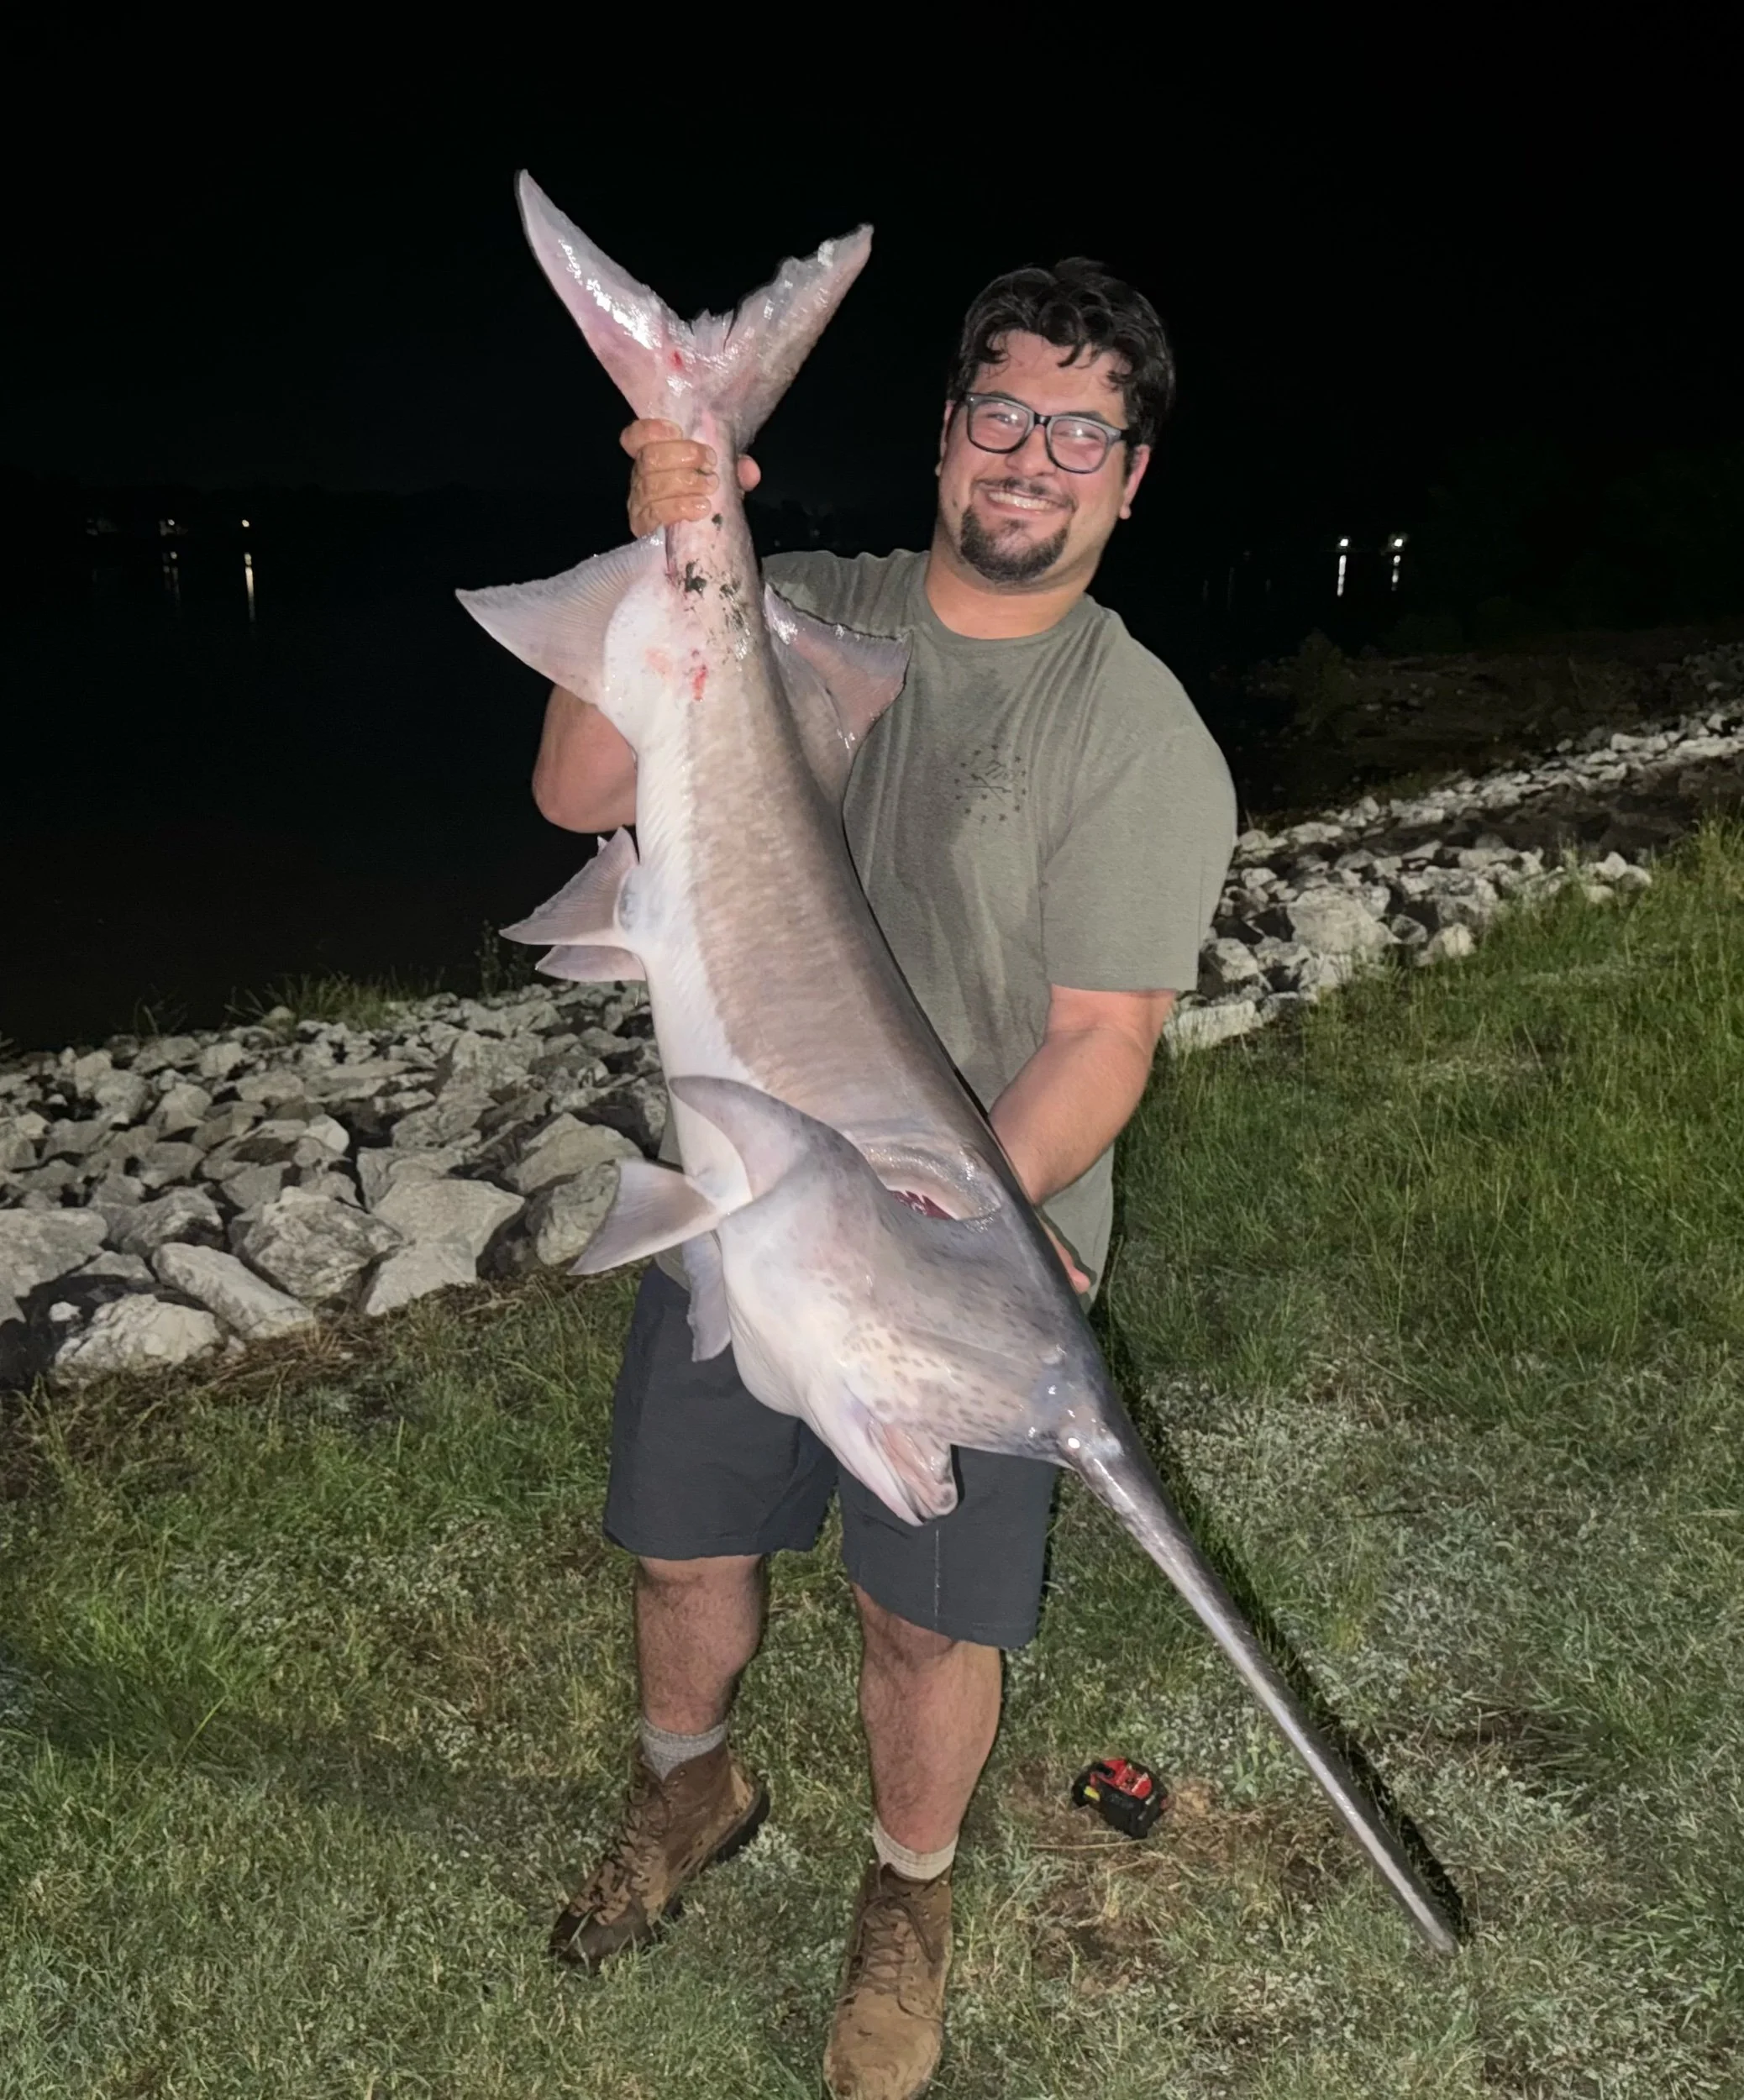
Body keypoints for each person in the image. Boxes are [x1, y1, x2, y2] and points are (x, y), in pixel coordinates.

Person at [529, 257, 1236, 2100]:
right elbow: (580, 790)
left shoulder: (1138, 734)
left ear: (1130, 478)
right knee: (681, 1551)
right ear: (946, 436)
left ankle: (908, 1893)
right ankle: (688, 1787)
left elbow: (1104, 1040)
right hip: (743, 1182)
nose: (1032, 456)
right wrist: (667, 531)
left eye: (1080, 432)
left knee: (925, 1618)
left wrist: (959, 1214)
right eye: (1004, 412)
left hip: (975, 1249)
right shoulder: (812, 609)